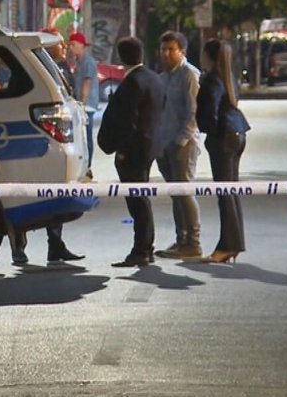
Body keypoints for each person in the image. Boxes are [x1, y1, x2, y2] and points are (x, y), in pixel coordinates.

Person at [9, 28, 84, 265]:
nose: (64, 47)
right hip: (29, 143)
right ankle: (19, 249)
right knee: (20, 196)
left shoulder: (56, 71)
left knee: (55, 197)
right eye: (60, 44)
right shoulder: (31, 72)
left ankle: (56, 246)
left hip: (53, 144)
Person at [98, 37, 165, 267]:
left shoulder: (132, 83)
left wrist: (122, 151)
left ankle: (142, 248)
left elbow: (128, 122)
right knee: (141, 198)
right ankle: (146, 246)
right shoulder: (154, 79)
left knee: (137, 201)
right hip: (149, 147)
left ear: (121, 57)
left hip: (134, 151)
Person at [195, 39, 250, 263]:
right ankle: (233, 243)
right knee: (231, 191)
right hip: (237, 133)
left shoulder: (211, 80)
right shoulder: (227, 75)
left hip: (224, 138)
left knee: (225, 193)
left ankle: (227, 245)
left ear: (208, 56)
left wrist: (206, 132)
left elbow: (210, 112)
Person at [153, 31, 203, 259]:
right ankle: (181, 239)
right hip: (164, 144)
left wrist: (180, 139)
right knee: (175, 193)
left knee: (185, 190)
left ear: (181, 51)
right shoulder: (164, 77)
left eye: (170, 49)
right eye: (163, 49)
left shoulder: (189, 75)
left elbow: (193, 113)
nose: (165, 54)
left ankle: (193, 241)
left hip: (183, 143)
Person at [68, 32, 99, 172]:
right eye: (70, 45)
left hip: (86, 107)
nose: (71, 48)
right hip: (81, 105)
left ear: (82, 46)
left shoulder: (88, 62)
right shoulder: (79, 62)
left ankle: (88, 167)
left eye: (73, 45)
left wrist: (82, 104)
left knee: (86, 138)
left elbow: (86, 84)